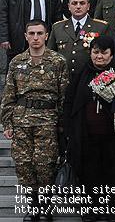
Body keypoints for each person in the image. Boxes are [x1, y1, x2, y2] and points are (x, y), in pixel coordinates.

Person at [62, 35, 115, 222]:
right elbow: (70, 101)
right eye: (95, 52)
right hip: (87, 135)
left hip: (114, 135)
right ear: (90, 53)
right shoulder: (83, 73)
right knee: (90, 173)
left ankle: (114, 209)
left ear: (111, 54)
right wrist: (68, 128)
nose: (99, 56)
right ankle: (91, 209)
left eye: (104, 53)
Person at [1, 20, 69, 222]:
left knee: (45, 165)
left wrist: (62, 124)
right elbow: (9, 95)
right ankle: (32, 207)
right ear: (25, 36)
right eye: (31, 33)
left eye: (40, 33)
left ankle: (46, 207)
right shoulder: (17, 62)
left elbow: (64, 96)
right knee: (24, 165)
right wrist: (7, 123)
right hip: (22, 120)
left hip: (47, 121)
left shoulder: (57, 61)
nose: (36, 37)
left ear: (47, 35)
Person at [48, 0, 111, 76]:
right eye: (74, 3)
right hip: (64, 76)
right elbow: (50, 53)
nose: (78, 6)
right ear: (69, 6)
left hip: (90, 76)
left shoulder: (101, 27)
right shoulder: (57, 27)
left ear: (88, 6)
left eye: (82, 3)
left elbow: (107, 54)